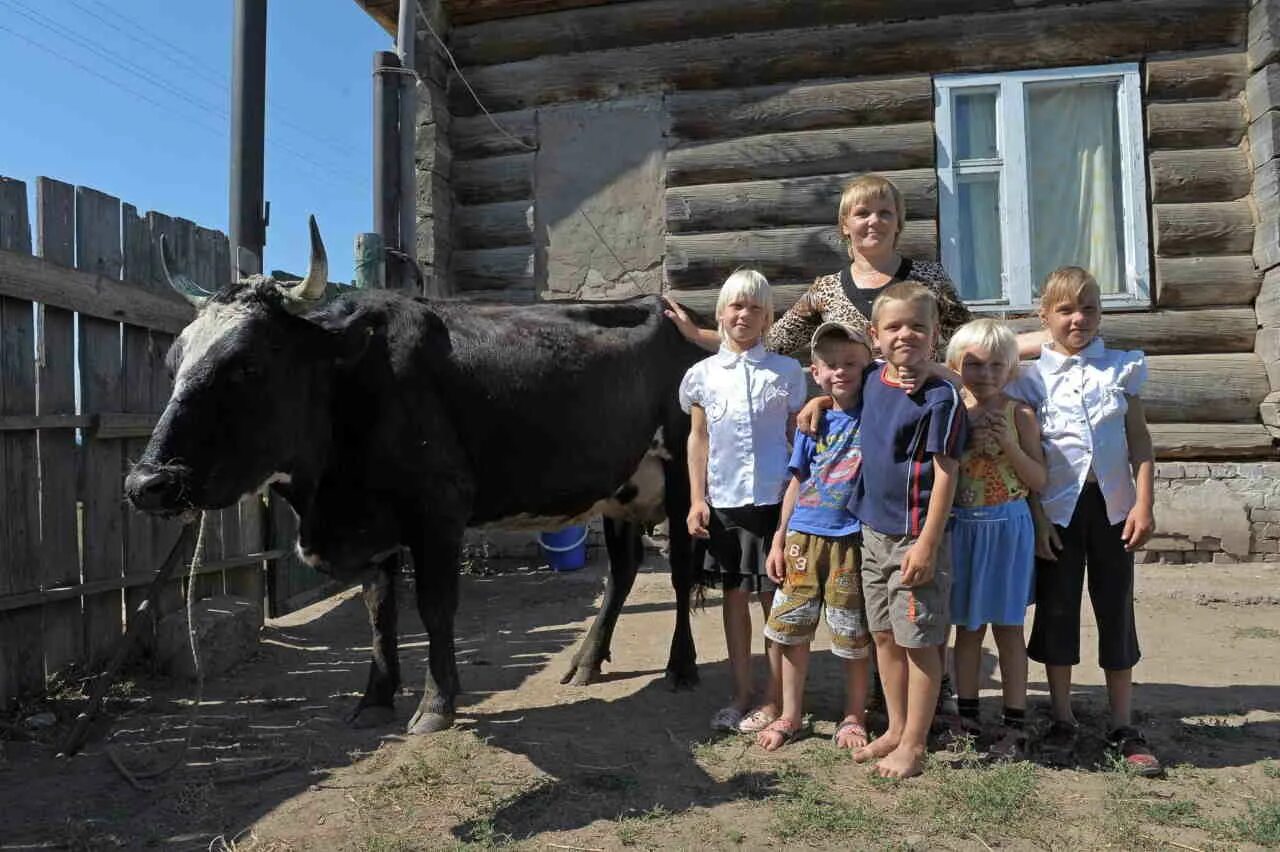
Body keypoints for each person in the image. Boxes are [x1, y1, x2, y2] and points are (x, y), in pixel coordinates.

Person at [1008, 267, 1160, 776]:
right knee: (1057, 608)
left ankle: (1122, 723)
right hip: (1057, 512)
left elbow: (1139, 441)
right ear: (1043, 315)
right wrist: (1037, 515)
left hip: (1114, 508)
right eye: (1066, 310)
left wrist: (1143, 503)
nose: (1079, 319)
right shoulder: (1029, 378)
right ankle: (1063, 717)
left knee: (1116, 605)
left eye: (1090, 308)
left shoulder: (1121, 367)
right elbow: (1025, 457)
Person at [679, 269, 808, 734]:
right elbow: (698, 440)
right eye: (736, 305)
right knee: (734, 597)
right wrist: (698, 498)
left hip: (775, 501)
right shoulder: (702, 375)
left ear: (767, 316)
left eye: (755, 307)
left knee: (774, 598)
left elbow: (798, 437)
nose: (744, 315)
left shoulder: (788, 372)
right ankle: (740, 692)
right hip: (726, 503)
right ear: (721, 312)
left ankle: (775, 699)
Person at [848, 281, 967, 779]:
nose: (906, 335)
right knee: (885, 637)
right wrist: (813, 406)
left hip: (914, 539)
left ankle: (915, 744)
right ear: (875, 337)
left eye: (918, 327)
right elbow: (836, 397)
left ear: (935, 334)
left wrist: (927, 542)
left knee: (919, 641)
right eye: (894, 327)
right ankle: (895, 728)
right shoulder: (873, 379)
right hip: (872, 531)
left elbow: (947, 472)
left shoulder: (941, 398)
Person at [758, 322, 874, 752]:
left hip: (852, 541)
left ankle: (853, 716)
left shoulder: (876, 411)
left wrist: (823, 396)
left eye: (851, 364)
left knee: (852, 637)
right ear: (815, 369)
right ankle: (790, 713)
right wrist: (778, 537)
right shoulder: (811, 424)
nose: (841, 371)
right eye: (830, 365)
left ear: (866, 366)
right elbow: (796, 481)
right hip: (802, 538)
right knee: (791, 632)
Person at [942, 319, 1047, 761]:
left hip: (1008, 527)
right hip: (962, 527)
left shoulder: (1019, 413)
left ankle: (1014, 722)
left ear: (1012, 369)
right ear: (955, 365)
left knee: (1008, 628)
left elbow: (1039, 478)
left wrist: (1010, 446)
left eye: (996, 365)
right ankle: (967, 716)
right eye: (974, 364)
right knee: (966, 628)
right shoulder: (947, 410)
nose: (985, 374)